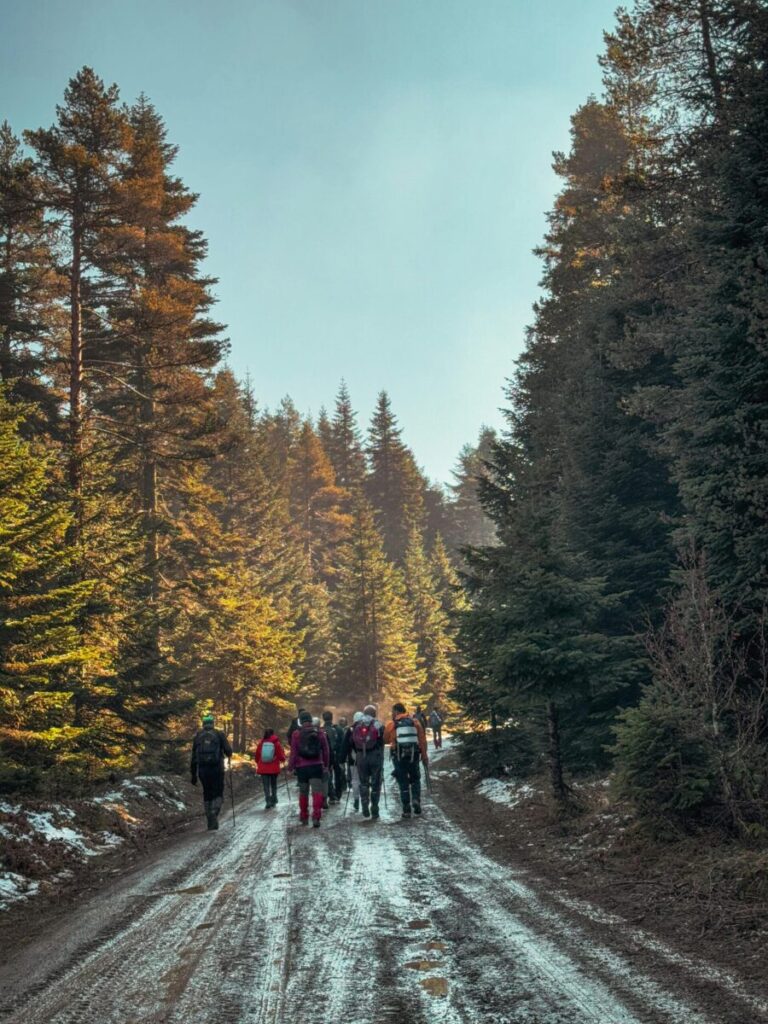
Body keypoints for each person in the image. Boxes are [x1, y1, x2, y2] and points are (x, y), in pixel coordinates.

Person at [384, 703, 428, 818]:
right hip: (413, 756)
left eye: (393, 712)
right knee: (415, 778)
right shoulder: (415, 722)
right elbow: (422, 740)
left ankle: (406, 809)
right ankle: (416, 799)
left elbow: (385, 739)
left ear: (397, 712)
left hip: (398, 756)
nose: (392, 714)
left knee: (403, 782)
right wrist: (424, 756)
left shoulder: (392, 724)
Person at [190, 713, 233, 830]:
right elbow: (229, 751)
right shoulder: (219, 734)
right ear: (212, 723)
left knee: (207, 793)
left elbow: (193, 757)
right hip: (217, 769)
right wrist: (228, 753)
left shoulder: (198, 736)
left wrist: (193, 775)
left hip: (202, 770)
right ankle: (214, 811)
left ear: (203, 724)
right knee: (218, 792)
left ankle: (210, 818)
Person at [289, 710, 330, 827]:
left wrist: (291, 766)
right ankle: (316, 817)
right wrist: (326, 765)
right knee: (317, 792)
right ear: (311, 720)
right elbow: (326, 750)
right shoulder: (319, 732)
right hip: (316, 766)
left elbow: (294, 752)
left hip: (302, 768)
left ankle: (304, 816)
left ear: (300, 721)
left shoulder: (296, 734)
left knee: (303, 793)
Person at [351, 704, 385, 820]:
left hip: (361, 757)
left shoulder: (357, 724)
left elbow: (353, 741)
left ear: (364, 713)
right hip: (375, 755)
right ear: (374, 713)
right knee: (376, 783)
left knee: (363, 782)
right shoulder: (378, 724)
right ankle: (374, 808)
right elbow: (381, 742)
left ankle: (364, 804)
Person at [253, 727, 286, 809]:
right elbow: (280, 755)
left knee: (266, 785)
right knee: (273, 784)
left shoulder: (261, 743)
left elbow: (257, 755)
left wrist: (258, 762)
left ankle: (268, 801)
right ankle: (274, 799)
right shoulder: (276, 743)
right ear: (273, 733)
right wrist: (283, 759)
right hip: (273, 768)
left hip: (263, 768)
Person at [341, 711, 364, 811]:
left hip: (353, 759)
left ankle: (356, 800)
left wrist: (341, 760)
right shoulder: (368, 727)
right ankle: (365, 800)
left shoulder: (350, 730)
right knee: (365, 780)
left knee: (355, 780)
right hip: (365, 758)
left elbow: (345, 746)